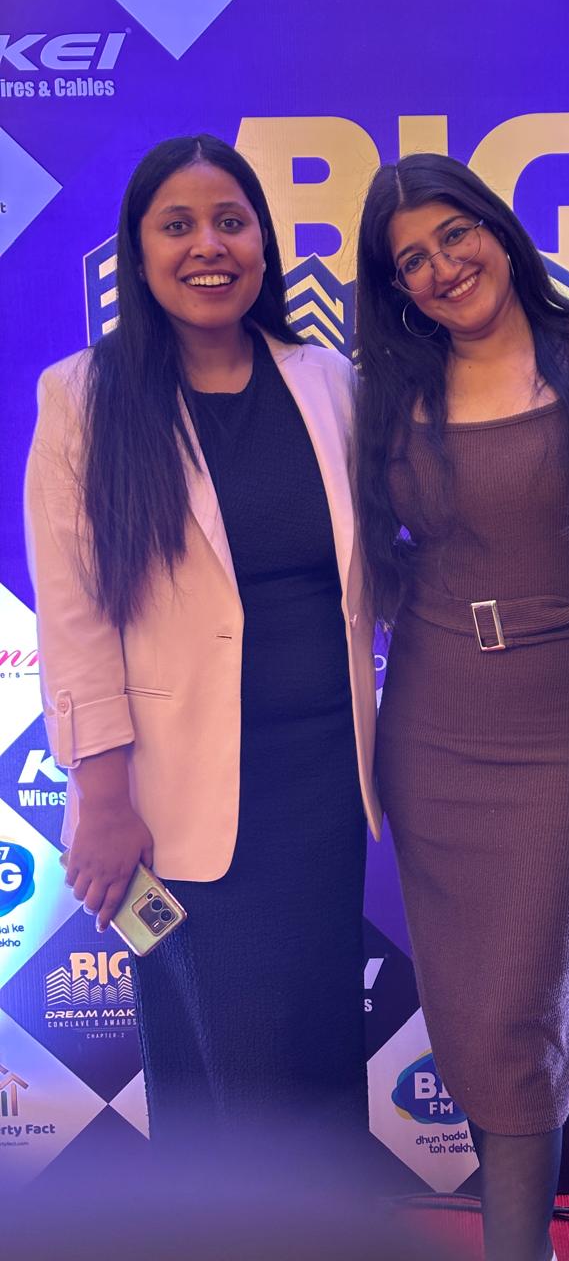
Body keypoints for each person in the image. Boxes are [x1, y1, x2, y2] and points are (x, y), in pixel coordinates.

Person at [24, 135, 380, 1144]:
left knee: (318, 1053)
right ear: (138, 254)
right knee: (230, 1070)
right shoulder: (84, 397)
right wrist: (102, 796)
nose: (208, 246)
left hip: (321, 788)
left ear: (264, 242)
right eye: (177, 226)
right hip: (176, 798)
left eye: (231, 221)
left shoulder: (329, 382)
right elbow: (74, 614)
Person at [353, 152, 569, 1261]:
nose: (442, 267)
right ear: (395, 288)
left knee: (515, 1008)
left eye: (456, 234)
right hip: (431, 726)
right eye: (412, 261)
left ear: (498, 229)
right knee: (468, 1017)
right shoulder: (390, 390)